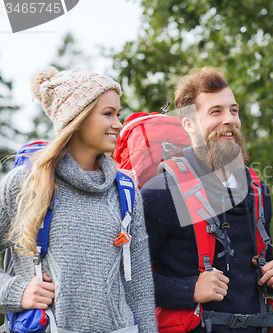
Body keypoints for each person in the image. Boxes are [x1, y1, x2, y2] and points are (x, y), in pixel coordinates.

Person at [0, 67, 158, 333]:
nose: (118, 124)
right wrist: (17, 292)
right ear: (77, 117)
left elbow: (139, 288)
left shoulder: (126, 192)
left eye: (117, 114)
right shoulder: (26, 183)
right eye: (107, 114)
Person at [141, 67, 273, 333]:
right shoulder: (162, 192)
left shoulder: (257, 190)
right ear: (189, 124)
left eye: (234, 110)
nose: (229, 119)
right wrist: (188, 290)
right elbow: (128, 279)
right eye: (216, 111)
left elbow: (257, 263)